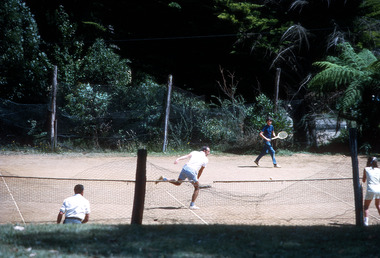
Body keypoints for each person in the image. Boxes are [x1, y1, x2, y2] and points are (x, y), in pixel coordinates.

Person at [362, 157, 380, 226]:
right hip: (378, 189)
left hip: (370, 189)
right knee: (378, 205)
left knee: (366, 206)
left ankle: (366, 223)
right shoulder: (379, 170)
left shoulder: (366, 169)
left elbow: (364, 180)